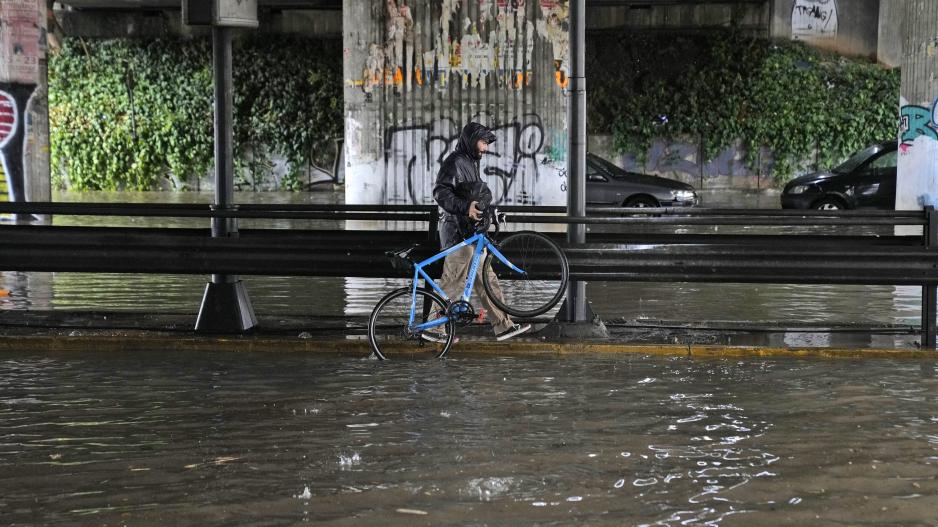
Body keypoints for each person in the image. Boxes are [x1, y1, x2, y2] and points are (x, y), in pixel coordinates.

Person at [428, 122, 531, 342]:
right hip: (457, 234)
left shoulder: (470, 163)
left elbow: (472, 196)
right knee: (453, 281)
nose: (485, 148)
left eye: (486, 143)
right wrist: (466, 208)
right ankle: (433, 329)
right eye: (482, 142)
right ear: (470, 140)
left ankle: (503, 326)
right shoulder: (455, 162)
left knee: (487, 279)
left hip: (471, 234)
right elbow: (440, 192)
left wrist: (489, 212)